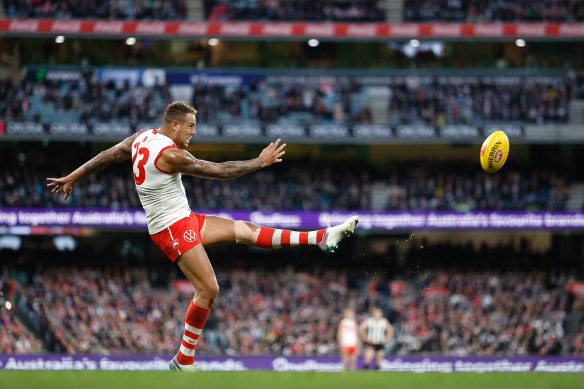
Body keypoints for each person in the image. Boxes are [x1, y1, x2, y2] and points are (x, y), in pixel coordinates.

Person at [47, 101, 359, 372]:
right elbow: (221, 171)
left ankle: (320, 237)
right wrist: (260, 162)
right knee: (209, 289)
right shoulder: (171, 155)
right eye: (190, 126)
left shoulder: (143, 137)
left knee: (244, 230)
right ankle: (184, 360)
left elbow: (109, 154)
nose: (193, 132)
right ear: (174, 125)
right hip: (171, 228)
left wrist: (74, 176)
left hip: (184, 219)